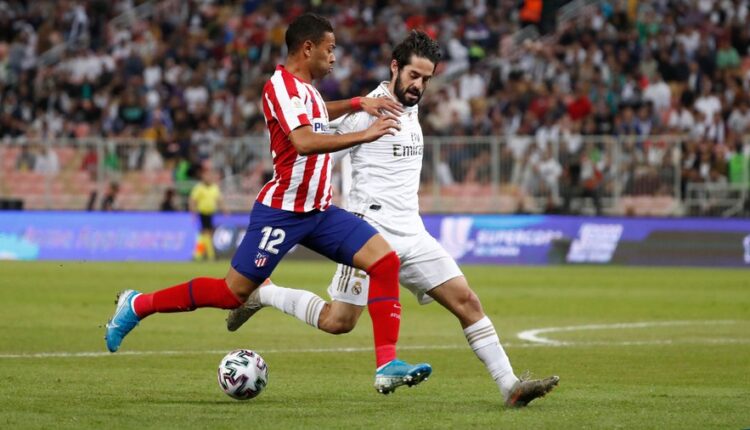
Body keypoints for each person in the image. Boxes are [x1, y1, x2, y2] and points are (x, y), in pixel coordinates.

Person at [226, 31, 559, 408]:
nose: (419, 86)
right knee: (340, 322)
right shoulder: (364, 111)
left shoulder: (413, 108)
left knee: (467, 301)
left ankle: (511, 386)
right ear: (395, 67)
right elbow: (312, 147)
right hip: (369, 233)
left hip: (413, 233)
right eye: (414, 76)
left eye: (427, 79)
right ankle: (262, 293)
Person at [105, 13, 432, 395]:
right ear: (306, 48)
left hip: (320, 211)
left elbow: (319, 113)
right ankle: (138, 304)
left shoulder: (307, 89)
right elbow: (305, 141)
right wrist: (365, 133)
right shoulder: (279, 86)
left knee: (385, 261)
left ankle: (386, 365)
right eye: (330, 50)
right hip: (283, 212)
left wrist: (360, 103)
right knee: (231, 293)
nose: (334, 58)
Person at [189, 168, 227, 261]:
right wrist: (193, 212)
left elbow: (219, 200)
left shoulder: (214, 187)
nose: (208, 178)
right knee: (207, 233)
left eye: (210, 176)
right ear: (203, 177)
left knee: (205, 235)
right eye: (207, 176)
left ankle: (198, 254)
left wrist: (224, 209)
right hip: (202, 213)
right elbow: (193, 200)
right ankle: (210, 255)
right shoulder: (199, 187)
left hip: (211, 213)